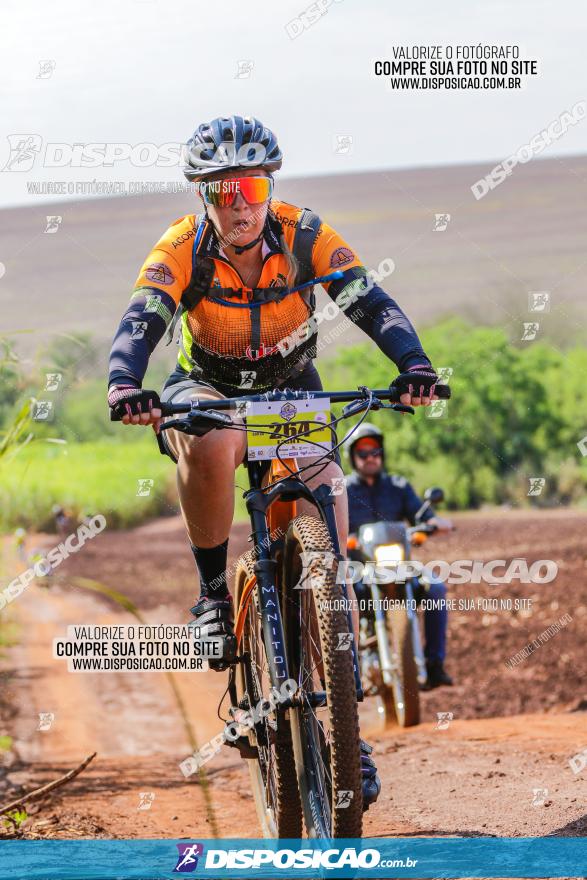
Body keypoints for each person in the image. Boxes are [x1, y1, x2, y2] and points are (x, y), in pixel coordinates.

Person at [108, 115, 445, 808]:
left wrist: (411, 363)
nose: (239, 203)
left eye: (252, 186)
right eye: (223, 189)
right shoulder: (180, 247)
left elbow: (367, 301)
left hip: (292, 387)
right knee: (214, 443)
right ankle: (210, 594)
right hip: (207, 386)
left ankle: (347, 734)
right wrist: (123, 381)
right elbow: (143, 316)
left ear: (270, 187)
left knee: (326, 520)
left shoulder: (304, 234)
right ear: (203, 195)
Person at [344, 423, 454, 688]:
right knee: (337, 600)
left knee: (436, 588)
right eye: (363, 452)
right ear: (352, 457)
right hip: (359, 568)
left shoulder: (398, 485)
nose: (370, 457)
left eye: (375, 451)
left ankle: (434, 665)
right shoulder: (342, 490)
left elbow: (423, 515)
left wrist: (433, 523)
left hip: (399, 565)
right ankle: (347, 673)